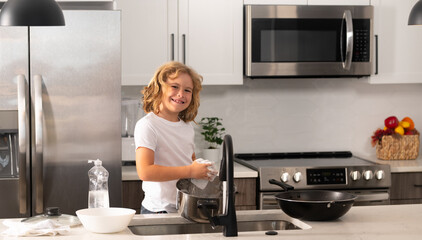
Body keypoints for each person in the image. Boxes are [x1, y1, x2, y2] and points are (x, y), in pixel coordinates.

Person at [134, 61, 212, 214]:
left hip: (183, 207)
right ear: (159, 88)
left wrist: (201, 168)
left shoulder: (187, 127)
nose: (181, 94)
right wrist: (190, 171)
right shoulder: (148, 125)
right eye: (174, 87)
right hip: (158, 211)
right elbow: (145, 172)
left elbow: (188, 160)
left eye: (187, 90)